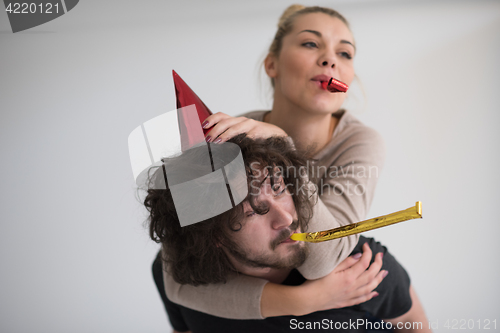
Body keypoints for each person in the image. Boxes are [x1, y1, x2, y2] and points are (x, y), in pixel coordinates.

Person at [157, 4, 431, 331]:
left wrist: (282, 147)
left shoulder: (361, 142)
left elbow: (326, 258)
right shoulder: (233, 137)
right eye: (310, 44)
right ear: (272, 64)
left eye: (345, 53)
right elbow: (176, 279)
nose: (331, 60)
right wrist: (303, 303)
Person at [150, 135, 407, 333]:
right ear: (212, 235)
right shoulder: (173, 272)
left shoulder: (361, 265)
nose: (286, 219)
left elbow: (415, 325)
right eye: (253, 212)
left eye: (279, 189)